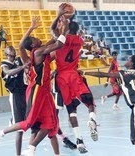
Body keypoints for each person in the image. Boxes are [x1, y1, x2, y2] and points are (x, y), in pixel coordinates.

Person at [0, 17, 69, 156]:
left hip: (45, 91)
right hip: (36, 89)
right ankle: (0, 133)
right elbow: (58, 44)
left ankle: (32, 149)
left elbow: (54, 39)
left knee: (50, 123)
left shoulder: (42, 51)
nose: (38, 38)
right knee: (28, 123)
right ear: (33, 45)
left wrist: (58, 20)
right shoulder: (38, 52)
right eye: (35, 38)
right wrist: (66, 28)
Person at [79, 55, 135, 156]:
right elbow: (131, 86)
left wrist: (84, 72)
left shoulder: (122, 73)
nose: (126, 60)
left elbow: (102, 74)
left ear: (131, 63)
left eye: (128, 59)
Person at [51, 9, 98, 153]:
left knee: (71, 110)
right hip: (74, 74)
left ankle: (79, 141)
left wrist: (59, 15)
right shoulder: (80, 40)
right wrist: (67, 21)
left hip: (62, 78)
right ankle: (92, 119)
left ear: (66, 28)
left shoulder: (61, 40)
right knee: (89, 102)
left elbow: (52, 29)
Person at [0, 46, 28, 156]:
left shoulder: (18, 61)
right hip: (15, 94)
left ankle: (13, 121)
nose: (12, 51)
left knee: (31, 120)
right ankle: (18, 154)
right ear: (6, 53)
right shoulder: (4, 64)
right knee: (19, 129)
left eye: (13, 50)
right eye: (9, 51)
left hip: (24, 93)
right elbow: (8, 72)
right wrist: (22, 68)